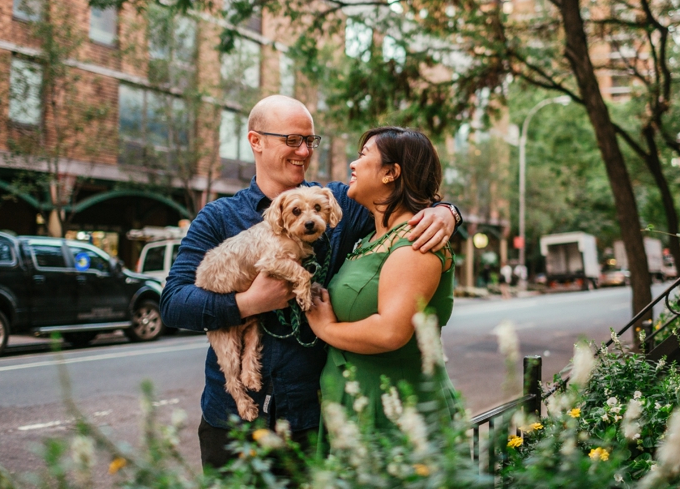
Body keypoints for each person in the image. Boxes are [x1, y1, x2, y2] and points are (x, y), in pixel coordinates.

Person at [160, 96, 460, 469]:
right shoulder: (218, 218)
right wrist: (248, 303)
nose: (304, 151)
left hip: (311, 421)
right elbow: (173, 303)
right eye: (292, 140)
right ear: (256, 141)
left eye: (310, 141)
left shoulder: (335, 203)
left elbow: (400, 204)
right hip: (233, 424)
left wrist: (446, 212)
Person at [305, 127, 458, 434]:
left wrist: (325, 328)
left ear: (390, 172)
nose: (353, 164)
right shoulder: (369, 238)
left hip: (397, 415)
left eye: (363, 156)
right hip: (355, 410)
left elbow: (391, 331)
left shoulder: (416, 240)